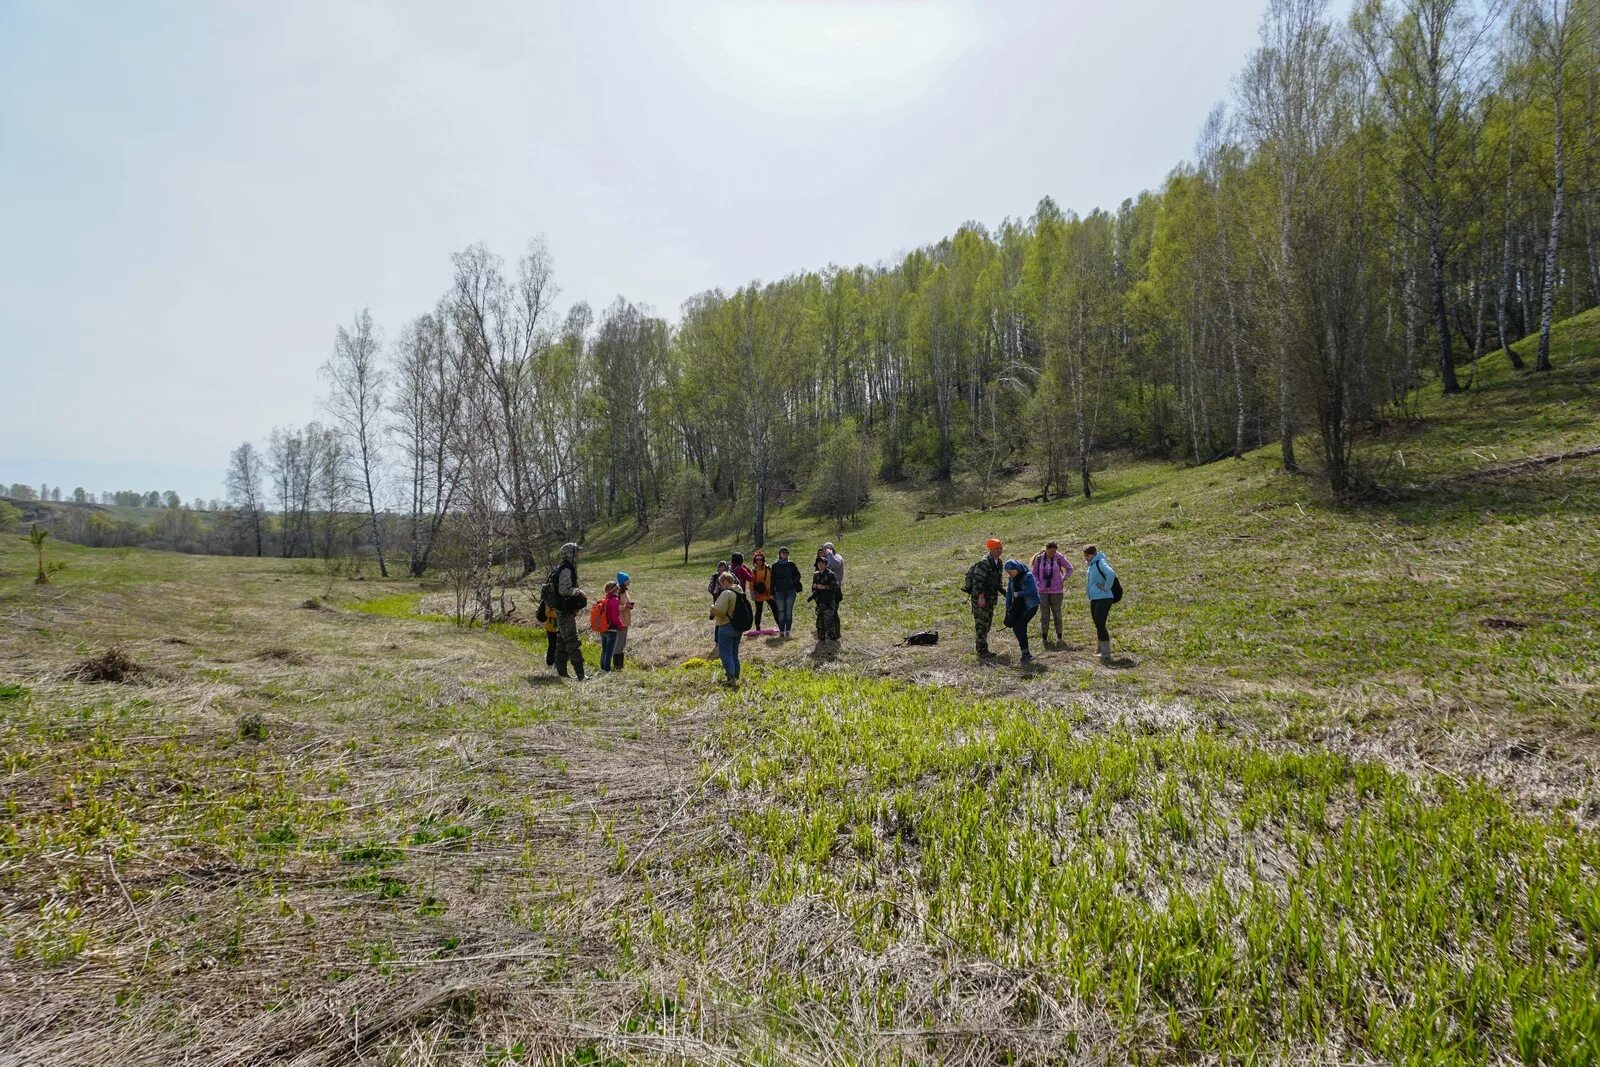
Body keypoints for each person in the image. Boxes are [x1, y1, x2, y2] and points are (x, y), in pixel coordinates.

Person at [962, 538, 1005, 660]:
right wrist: (980, 597)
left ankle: (983, 647)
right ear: (990, 549)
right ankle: (981, 651)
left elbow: (997, 582)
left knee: (988, 623)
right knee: (981, 624)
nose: (999, 550)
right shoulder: (984, 563)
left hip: (991, 597)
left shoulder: (999, 562)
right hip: (981, 598)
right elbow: (977, 582)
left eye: (1000, 548)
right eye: (997, 548)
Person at [549, 542, 586, 680]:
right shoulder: (566, 569)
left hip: (562, 609)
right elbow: (564, 590)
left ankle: (562, 673)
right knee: (572, 640)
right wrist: (579, 591)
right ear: (570, 553)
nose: (579, 554)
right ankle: (581, 674)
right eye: (577, 551)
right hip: (564, 611)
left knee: (562, 640)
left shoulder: (565, 567)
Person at [1031, 541, 1073, 647]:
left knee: (1057, 615)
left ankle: (1059, 636)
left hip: (1056, 592)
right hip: (1042, 592)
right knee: (1044, 616)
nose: (1053, 553)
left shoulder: (1059, 558)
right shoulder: (1039, 558)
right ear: (1046, 549)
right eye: (1051, 551)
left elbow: (1070, 568)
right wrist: (1038, 583)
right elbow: (1034, 573)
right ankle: (1044, 637)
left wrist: (1063, 580)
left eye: (1055, 551)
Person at [1084, 543, 1117, 664]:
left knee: (1100, 623)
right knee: (1097, 623)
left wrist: (1106, 587)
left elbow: (1111, 573)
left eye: (1087, 555)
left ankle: (1106, 653)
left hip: (1104, 597)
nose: (1085, 558)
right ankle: (1099, 649)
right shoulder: (1091, 565)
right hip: (1095, 598)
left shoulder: (1100, 562)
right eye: (1084, 555)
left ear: (1093, 554)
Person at [1003, 560, 1041, 664]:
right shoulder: (1012, 578)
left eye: (1011, 571)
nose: (1009, 574)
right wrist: (1007, 609)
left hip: (1030, 606)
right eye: (1008, 572)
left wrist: (1019, 594)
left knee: (1018, 628)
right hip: (1019, 607)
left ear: (1017, 569)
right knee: (1020, 628)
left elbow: (1033, 591)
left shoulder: (1028, 576)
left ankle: (1026, 654)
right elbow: (1009, 594)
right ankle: (1026, 653)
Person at [709, 572, 743, 685]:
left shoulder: (726, 593)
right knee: (734, 654)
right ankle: (736, 676)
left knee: (725, 654)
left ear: (725, 581)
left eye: (721, 583)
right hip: (738, 627)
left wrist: (712, 608)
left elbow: (720, 612)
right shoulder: (739, 591)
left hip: (726, 626)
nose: (721, 585)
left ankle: (730, 678)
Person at [769, 546, 802, 638]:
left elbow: (798, 575)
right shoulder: (775, 566)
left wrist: (792, 583)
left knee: (788, 611)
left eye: (786, 552)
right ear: (779, 554)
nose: (784, 554)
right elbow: (772, 580)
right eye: (783, 552)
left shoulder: (791, 564)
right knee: (781, 611)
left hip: (790, 591)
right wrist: (771, 593)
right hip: (779, 591)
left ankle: (788, 630)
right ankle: (781, 631)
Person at [807, 552, 841, 642]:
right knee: (820, 619)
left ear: (826, 565)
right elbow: (813, 587)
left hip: (829, 600)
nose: (820, 565)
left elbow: (835, 587)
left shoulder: (831, 574)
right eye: (819, 563)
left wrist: (824, 587)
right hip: (820, 600)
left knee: (829, 619)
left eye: (822, 563)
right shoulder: (816, 574)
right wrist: (815, 586)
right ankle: (821, 637)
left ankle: (832, 637)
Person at [598, 580, 623, 672]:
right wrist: (620, 625)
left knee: (604, 650)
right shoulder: (615, 600)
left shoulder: (605, 599)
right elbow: (615, 616)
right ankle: (607, 669)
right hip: (612, 629)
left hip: (603, 628)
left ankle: (602, 667)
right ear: (615, 589)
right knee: (610, 651)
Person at [611, 572, 633, 670]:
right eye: (627, 579)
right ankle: (617, 666)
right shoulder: (618, 592)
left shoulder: (626, 591)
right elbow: (615, 607)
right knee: (618, 644)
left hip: (626, 621)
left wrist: (629, 606)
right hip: (620, 621)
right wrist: (625, 606)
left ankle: (620, 666)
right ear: (623, 581)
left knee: (622, 644)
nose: (629, 580)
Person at [748, 550, 773, 630]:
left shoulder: (768, 568)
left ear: (763, 560)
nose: (759, 561)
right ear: (754, 561)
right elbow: (751, 583)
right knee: (759, 611)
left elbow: (773, 579)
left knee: (775, 608)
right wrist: (752, 593)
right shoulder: (754, 571)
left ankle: (780, 625)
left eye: (761, 559)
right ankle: (758, 628)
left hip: (768, 593)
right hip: (758, 594)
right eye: (757, 559)